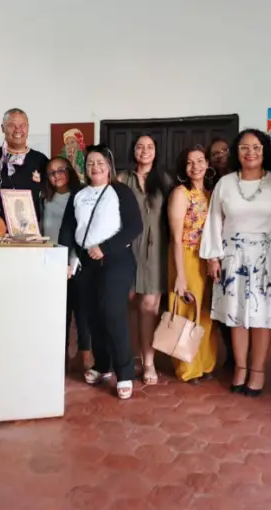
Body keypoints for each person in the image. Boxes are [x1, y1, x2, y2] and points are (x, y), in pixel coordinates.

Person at [200, 129, 271, 397]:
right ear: (236, 153)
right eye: (244, 148)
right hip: (232, 257)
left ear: (265, 151)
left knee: (263, 317)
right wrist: (213, 255)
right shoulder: (225, 183)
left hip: (267, 259)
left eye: (257, 147)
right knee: (235, 316)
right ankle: (239, 368)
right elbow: (214, 220)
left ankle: (257, 371)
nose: (250, 153)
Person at [59, 144, 143, 400]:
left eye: (100, 163)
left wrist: (105, 247)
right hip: (86, 262)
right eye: (91, 163)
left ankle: (125, 372)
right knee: (92, 315)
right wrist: (66, 258)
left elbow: (134, 226)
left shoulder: (120, 191)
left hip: (115, 260)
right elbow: (67, 228)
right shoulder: (79, 195)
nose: (95, 167)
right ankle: (102, 365)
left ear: (109, 167)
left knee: (113, 313)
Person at [117, 134, 169, 385]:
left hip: (156, 251)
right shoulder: (121, 178)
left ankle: (148, 363)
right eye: (139, 146)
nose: (145, 150)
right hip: (126, 248)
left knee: (149, 308)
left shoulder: (166, 180)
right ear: (133, 151)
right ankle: (125, 360)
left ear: (156, 151)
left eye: (150, 146)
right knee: (125, 305)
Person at [167, 145, 217, 383]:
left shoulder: (209, 193)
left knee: (205, 314)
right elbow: (176, 237)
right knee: (187, 312)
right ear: (184, 168)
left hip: (206, 258)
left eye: (199, 161)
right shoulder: (180, 193)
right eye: (189, 162)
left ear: (207, 164)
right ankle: (187, 368)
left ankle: (205, 363)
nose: (195, 166)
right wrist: (179, 274)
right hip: (185, 256)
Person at [41, 156, 90, 371]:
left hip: (74, 263)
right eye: (52, 172)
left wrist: (71, 262)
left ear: (70, 171)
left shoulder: (80, 197)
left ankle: (84, 354)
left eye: (61, 170)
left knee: (81, 310)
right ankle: (60, 356)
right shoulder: (44, 198)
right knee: (58, 312)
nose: (57, 175)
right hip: (50, 262)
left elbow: (81, 233)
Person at [0, 108, 49, 221]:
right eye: (11, 125)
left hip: (29, 233)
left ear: (28, 127)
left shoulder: (41, 160)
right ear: (2, 128)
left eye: (22, 125)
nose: (17, 130)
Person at [206, 137, 234, 370]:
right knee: (219, 307)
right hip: (212, 249)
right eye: (215, 153)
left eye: (224, 150)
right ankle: (227, 354)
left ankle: (239, 357)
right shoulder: (207, 180)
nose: (220, 155)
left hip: (236, 248)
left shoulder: (239, 177)